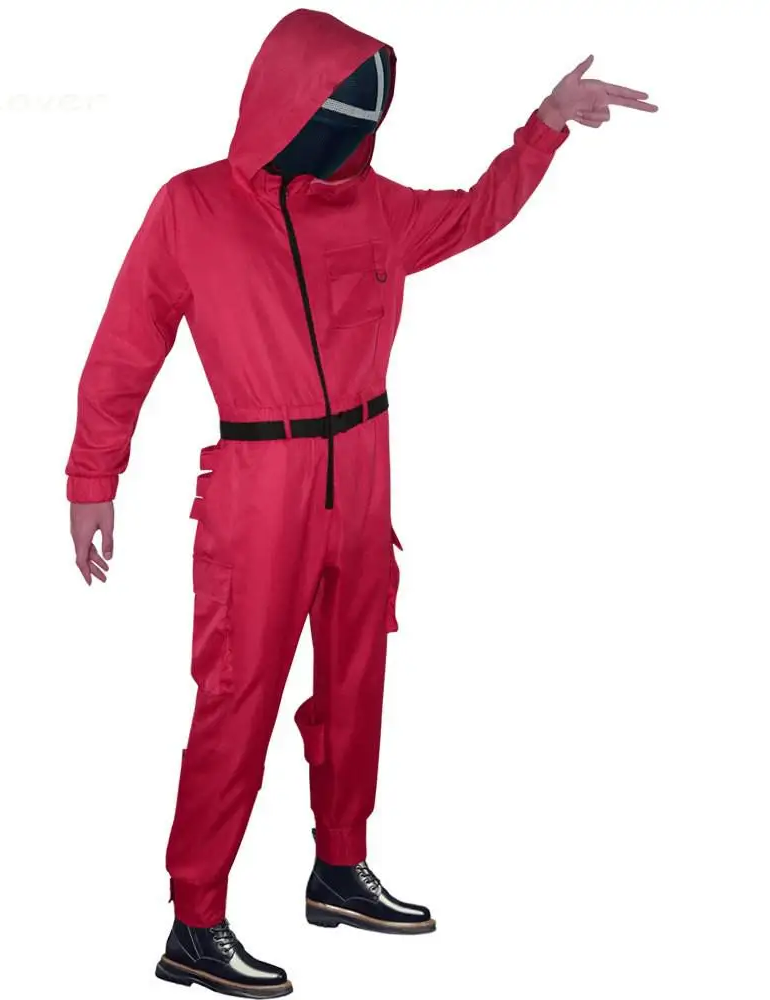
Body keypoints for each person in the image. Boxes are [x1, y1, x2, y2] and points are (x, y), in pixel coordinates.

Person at [65, 8, 657, 996]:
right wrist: (94, 478)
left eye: (362, 117)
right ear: (282, 105)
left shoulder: (376, 206)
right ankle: (195, 920)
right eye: (332, 111)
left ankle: (338, 869)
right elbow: (127, 346)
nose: (346, 133)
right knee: (237, 695)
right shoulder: (191, 208)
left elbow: (476, 212)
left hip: (366, 464)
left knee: (355, 680)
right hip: (261, 484)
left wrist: (545, 125)